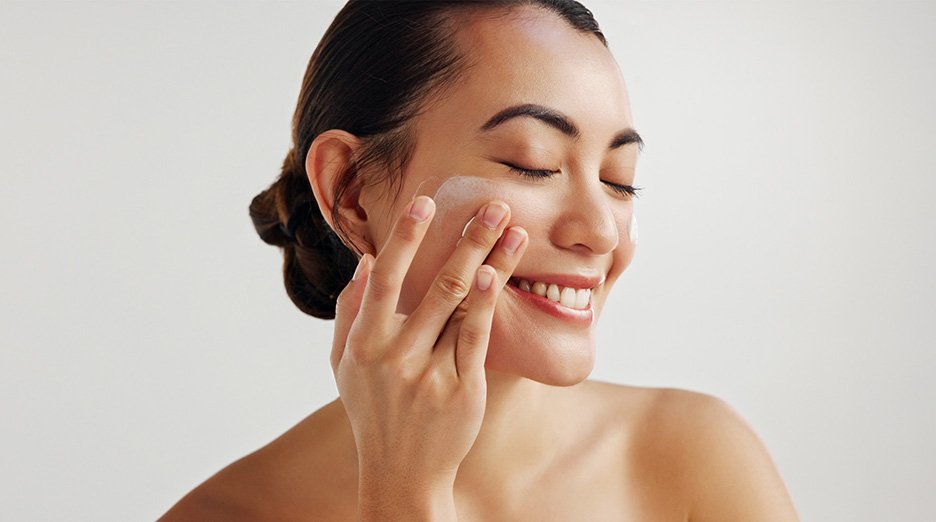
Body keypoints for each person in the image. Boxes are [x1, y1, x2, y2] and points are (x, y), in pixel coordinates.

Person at [160, 1, 799, 520]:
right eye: (532, 164)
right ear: (351, 191)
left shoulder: (695, 459)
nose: (601, 231)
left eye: (618, 179)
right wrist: (403, 493)